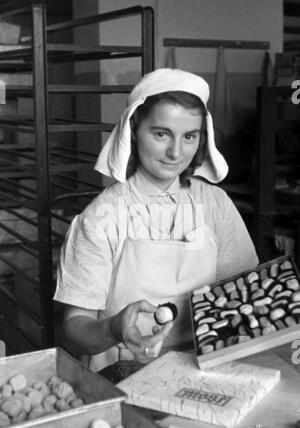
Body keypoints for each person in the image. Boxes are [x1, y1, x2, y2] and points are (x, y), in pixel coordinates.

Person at [54, 68, 258, 379]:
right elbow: (73, 328)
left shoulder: (216, 205)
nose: (176, 152)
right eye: (161, 133)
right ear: (134, 131)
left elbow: (243, 291)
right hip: (121, 371)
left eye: (189, 136)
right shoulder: (103, 216)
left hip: (205, 368)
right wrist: (112, 328)